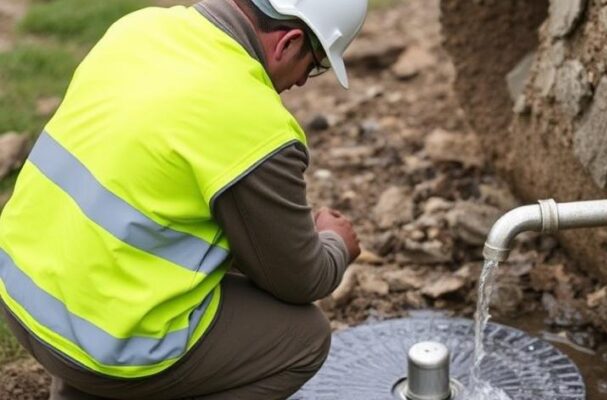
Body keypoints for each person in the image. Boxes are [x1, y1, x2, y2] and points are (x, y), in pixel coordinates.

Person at [0, 0, 366, 398]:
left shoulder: (141, 28)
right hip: (99, 344)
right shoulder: (253, 122)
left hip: (20, 292)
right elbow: (300, 279)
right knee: (303, 339)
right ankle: (105, 377)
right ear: (288, 42)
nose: (302, 82)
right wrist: (335, 244)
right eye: (314, 64)